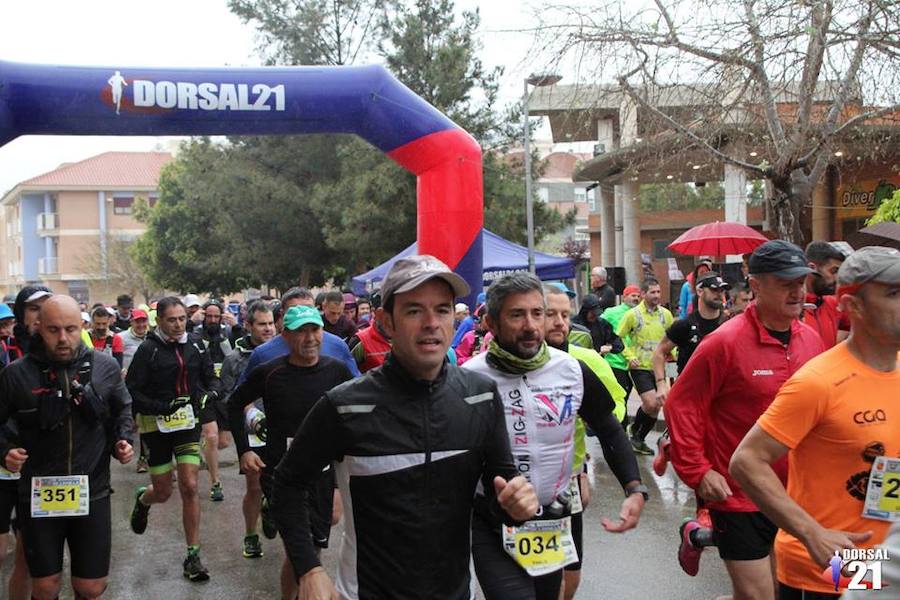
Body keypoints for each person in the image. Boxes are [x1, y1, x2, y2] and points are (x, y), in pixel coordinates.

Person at [270, 255, 539, 600]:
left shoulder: (480, 396)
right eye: (414, 311)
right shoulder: (345, 405)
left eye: (442, 310)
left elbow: (500, 494)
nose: (431, 323)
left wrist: (517, 506)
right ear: (386, 322)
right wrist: (308, 568)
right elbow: (287, 484)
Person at [730, 246, 900, 599]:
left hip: (891, 555)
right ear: (853, 306)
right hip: (839, 562)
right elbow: (747, 461)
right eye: (894, 294)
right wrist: (810, 532)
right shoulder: (820, 381)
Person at [464, 273, 645, 600]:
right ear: (491, 322)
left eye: (538, 313)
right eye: (517, 315)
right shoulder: (469, 379)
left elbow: (607, 426)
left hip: (551, 519)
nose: (531, 325)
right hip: (492, 522)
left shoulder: (571, 369)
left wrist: (634, 486)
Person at [666, 240, 825, 600]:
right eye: (786, 282)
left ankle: (697, 536)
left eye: (801, 281)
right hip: (739, 495)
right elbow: (683, 405)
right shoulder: (723, 342)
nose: (798, 291)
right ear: (755, 285)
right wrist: (698, 471)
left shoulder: (813, 341)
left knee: (799, 591)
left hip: (798, 496)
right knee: (760, 596)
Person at [0, 295, 134, 600]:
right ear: (38, 328)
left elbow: (122, 406)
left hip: (93, 489)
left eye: (71, 329)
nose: (63, 338)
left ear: (82, 327)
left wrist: (123, 440)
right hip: (39, 491)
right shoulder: (15, 374)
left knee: (90, 587)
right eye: (54, 329)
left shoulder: (104, 367)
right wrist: (4, 449)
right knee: (45, 587)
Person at [230, 305, 353, 599]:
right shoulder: (271, 373)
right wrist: (244, 451)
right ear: (286, 336)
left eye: (315, 330)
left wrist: (338, 482)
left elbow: (349, 420)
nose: (310, 338)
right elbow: (234, 404)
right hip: (281, 475)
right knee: (303, 552)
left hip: (322, 473)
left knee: (316, 549)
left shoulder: (336, 371)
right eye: (301, 331)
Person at [125, 296, 222, 582]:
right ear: (159, 321)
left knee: (190, 485)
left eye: (182, 318)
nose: (179, 324)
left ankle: (193, 555)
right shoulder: (148, 350)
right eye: (172, 319)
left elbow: (210, 377)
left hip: (187, 422)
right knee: (164, 491)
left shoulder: (195, 344)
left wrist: (211, 393)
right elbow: (133, 389)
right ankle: (144, 500)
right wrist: (159, 407)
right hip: (155, 424)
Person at [543, 284, 628, 600]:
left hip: (570, 479)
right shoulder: (500, 366)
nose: (558, 322)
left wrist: (583, 464)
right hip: (520, 488)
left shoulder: (585, 359)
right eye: (550, 314)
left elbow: (615, 410)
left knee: (570, 580)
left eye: (564, 315)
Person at [650, 271, 729, 575]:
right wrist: (661, 384)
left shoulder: (728, 322)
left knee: (716, 454)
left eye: (722, 289)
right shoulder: (686, 325)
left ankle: (668, 446)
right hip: (691, 399)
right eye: (713, 289)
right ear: (699, 291)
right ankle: (703, 513)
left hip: (721, 399)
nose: (719, 294)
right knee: (704, 459)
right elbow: (660, 352)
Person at [219, 301, 276, 559]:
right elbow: (230, 398)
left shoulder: (283, 350)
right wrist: (248, 416)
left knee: (281, 483)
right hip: (251, 431)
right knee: (254, 485)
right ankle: (251, 535)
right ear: (248, 326)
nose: (268, 329)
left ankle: (271, 506)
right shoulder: (234, 358)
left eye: (271, 323)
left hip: (281, 426)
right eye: (262, 324)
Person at [237, 287, 360, 386]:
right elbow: (240, 398)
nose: (303, 316)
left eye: (308, 310)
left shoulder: (337, 346)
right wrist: (254, 414)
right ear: (282, 315)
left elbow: (356, 385)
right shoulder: (263, 354)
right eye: (295, 311)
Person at [616, 277, 674, 455]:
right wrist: (629, 356)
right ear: (643, 294)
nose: (656, 295)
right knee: (651, 402)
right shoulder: (632, 315)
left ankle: (638, 437)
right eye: (652, 292)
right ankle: (635, 431)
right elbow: (618, 336)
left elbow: (673, 339)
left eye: (658, 292)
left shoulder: (666, 314)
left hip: (660, 367)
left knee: (657, 405)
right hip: (640, 366)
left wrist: (673, 356)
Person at [195, 300, 234, 502]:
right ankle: (215, 482)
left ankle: (205, 447)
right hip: (206, 391)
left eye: (215, 317)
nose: (212, 320)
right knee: (212, 437)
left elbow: (239, 353)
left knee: (223, 442)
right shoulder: (195, 335)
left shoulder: (228, 333)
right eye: (208, 316)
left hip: (225, 391)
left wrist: (235, 326)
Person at [120, 308, 152, 473]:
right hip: (127, 388)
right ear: (131, 322)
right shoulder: (122, 338)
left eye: (143, 321)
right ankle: (124, 451)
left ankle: (144, 459)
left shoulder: (153, 338)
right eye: (137, 321)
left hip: (147, 388)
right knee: (131, 424)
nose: (140, 324)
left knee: (145, 424)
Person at [801, 241, 849, 348]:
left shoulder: (834, 304)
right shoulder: (792, 306)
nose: (837, 278)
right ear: (812, 268)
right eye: (833, 271)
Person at [601, 284, 641, 400]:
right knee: (618, 397)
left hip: (634, 363)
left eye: (638, 296)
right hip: (616, 360)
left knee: (626, 396)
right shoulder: (612, 312)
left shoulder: (639, 314)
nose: (636, 299)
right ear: (624, 297)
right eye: (633, 295)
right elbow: (599, 324)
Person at [347, 306, 393, 373]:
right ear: (376, 315)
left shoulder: (406, 337)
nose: (390, 324)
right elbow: (347, 371)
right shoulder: (361, 340)